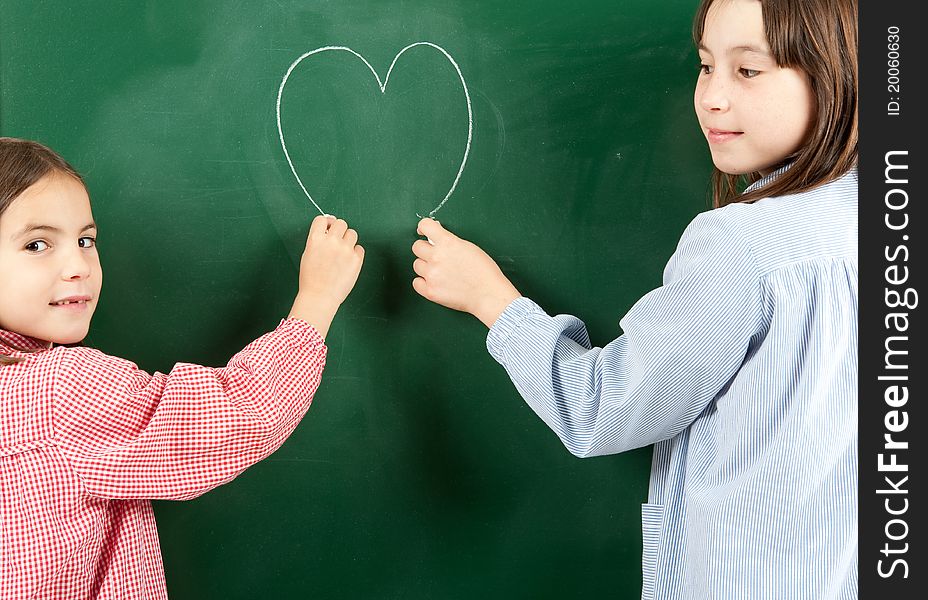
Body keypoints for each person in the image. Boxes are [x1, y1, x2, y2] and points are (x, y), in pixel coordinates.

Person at [410, 0, 857, 597]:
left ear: (834, 76)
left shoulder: (741, 247)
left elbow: (602, 410)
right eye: (705, 67)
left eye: (748, 70)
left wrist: (491, 299)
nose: (712, 98)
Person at [0, 137, 364, 598]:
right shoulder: (55, 391)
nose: (78, 265)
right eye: (37, 244)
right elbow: (238, 416)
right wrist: (317, 300)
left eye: (86, 240)